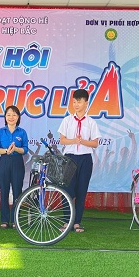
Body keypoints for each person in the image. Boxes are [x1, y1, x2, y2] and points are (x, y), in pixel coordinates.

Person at [57, 89, 100, 233]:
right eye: (74, 102)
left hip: (85, 158)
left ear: (86, 103)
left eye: (79, 102)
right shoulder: (67, 120)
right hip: (69, 158)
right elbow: (62, 140)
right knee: (66, 190)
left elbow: (95, 143)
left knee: (81, 191)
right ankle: (66, 221)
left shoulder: (91, 122)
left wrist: (82, 142)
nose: (76, 104)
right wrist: (74, 140)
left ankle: (77, 222)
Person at [0, 105, 29, 229]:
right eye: (8, 114)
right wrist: (6, 151)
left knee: (17, 192)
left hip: (17, 162)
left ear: (18, 117)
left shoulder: (22, 132)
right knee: (4, 191)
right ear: (5, 117)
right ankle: (4, 220)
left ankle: (15, 220)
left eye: (14, 114)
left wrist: (16, 149)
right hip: (4, 162)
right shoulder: (0, 132)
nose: (11, 117)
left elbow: (25, 149)